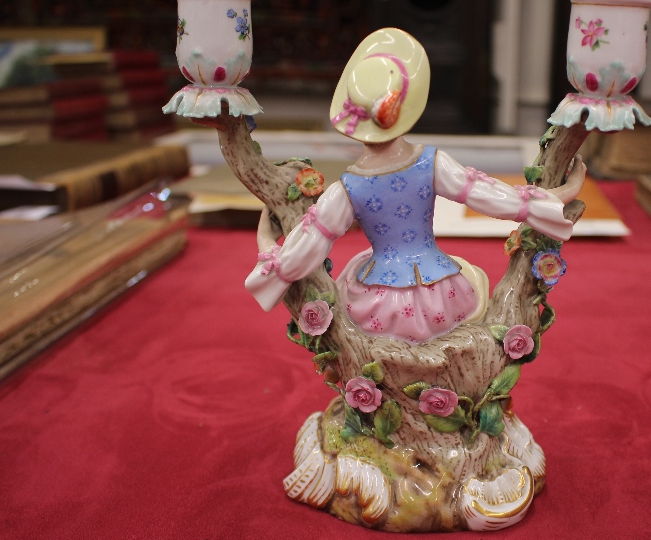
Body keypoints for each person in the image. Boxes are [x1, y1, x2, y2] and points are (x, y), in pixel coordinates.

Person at [245, 28, 585, 343]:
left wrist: (267, 244)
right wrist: (556, 197)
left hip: (376, 299)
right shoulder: (431, 162)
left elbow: (303, 250)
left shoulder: (347, 187)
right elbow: (493, 197)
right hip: (440, 292)